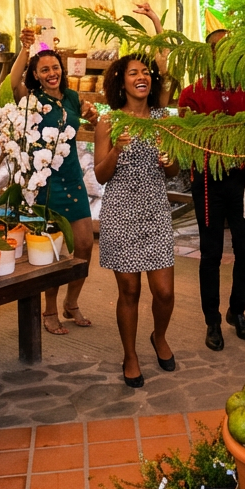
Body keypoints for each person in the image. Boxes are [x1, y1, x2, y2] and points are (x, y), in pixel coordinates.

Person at [94, 54, 179, 387]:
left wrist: (168, 159)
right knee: (129, 291)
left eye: (146, 72)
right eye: (134, 73)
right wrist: (115, 149)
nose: (141, 77)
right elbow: (101, 175)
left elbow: (173, 172)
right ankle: (130, 355)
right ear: (122, 80)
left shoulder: (162, 119)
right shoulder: (109, 121)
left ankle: (159, 336)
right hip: (120, 211)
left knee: (165, 292)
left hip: (155, 208)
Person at [11, 28, 99, 335]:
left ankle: (71, 303)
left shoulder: (73, 97)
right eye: (44, 69)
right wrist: (24, 49)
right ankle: (49, 310)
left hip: (73, 177)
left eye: (55, 67)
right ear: (35, 74)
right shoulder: (31, 100)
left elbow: (89, 120)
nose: (52, 73)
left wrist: (92, 114)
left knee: (85, 245)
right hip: (45, 181)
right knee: (53, 249)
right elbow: (13, 84)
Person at [178, 29, 245, 351]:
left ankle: (236, 312)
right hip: (209, 181)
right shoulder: (192, 93)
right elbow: (186, 140)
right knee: (211, 253)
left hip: (242, 181)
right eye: (217, 49)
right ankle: (211, 319)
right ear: (206, 54)